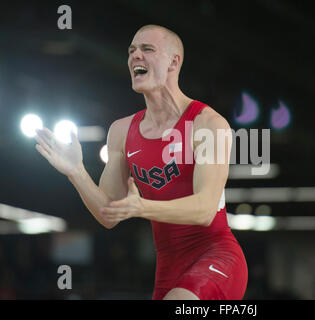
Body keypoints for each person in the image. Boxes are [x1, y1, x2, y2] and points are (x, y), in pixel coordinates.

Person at [34, 24, 248, 300]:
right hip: (168, 268)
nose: (136, 56)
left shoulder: (207, 123)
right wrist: (77, 172)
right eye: (131, 51)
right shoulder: (121, 131)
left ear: (174, 61)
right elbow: (107, 214)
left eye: (147, 49)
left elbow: (205, 209)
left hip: (217, 256)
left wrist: (142, 207)